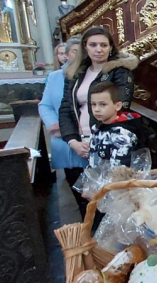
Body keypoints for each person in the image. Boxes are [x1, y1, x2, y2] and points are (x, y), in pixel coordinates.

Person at [59, 27, 138, 218]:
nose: (98, 49)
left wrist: (95, 141)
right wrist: (72, 141)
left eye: (104, 45)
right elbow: (66, 108)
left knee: (108, 201)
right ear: (85, 47)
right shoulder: (76, 73)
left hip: (106, 142)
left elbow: (120, 107)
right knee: (85, 200)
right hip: (79, 142)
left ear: (111, 48)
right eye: (93, 45)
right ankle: (90, 241)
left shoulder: (119, 72)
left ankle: (107, 245)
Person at [39, 36, 85, 190]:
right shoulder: (55, 77)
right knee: (74, 182)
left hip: (87, 137)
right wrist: (53, 122)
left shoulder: (93, 74)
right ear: (67, 54)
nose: (79, 55)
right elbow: (45, 105)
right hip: (62, 135)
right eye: (74, 51)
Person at [87, 81, 148, 168]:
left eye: (103, 104)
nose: (96, 109)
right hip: (97, 178)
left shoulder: (122, 134)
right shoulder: (96, 128)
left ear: (118, 106)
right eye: (93, 104)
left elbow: (119, 169)